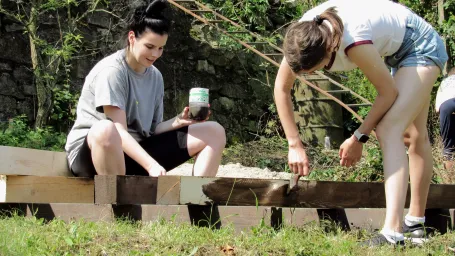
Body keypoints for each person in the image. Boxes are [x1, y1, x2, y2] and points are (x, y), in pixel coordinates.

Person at [274, 0, 448, 246]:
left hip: (420, 46)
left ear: (328, 50)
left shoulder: (353, 42)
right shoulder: (302, 38)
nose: (307, 75)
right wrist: (294, 144)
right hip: (396, 50)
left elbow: (387, 93)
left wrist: (359, 137)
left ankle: (393, 233)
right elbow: (281, 88)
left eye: (312, 71)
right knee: (414, 135)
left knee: (390, 129)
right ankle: (415, 224)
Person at [65, 0, 226, 178]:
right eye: (149, 47)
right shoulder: (112, 72)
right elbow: (118, 132)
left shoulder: (155, 76)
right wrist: (151, 166)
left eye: (160, 48)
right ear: (132, 38)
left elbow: (151, 130)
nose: (155, 54)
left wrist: (179, 121)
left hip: (135, 153)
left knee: (215, 131)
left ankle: (198, 200)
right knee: (105, 129)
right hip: (96, 154)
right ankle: (121, 202)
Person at [435, 68, 455, 172]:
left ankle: (450, 178)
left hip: (446, 106)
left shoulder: (444, 82)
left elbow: (437, 108)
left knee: (448, 148)